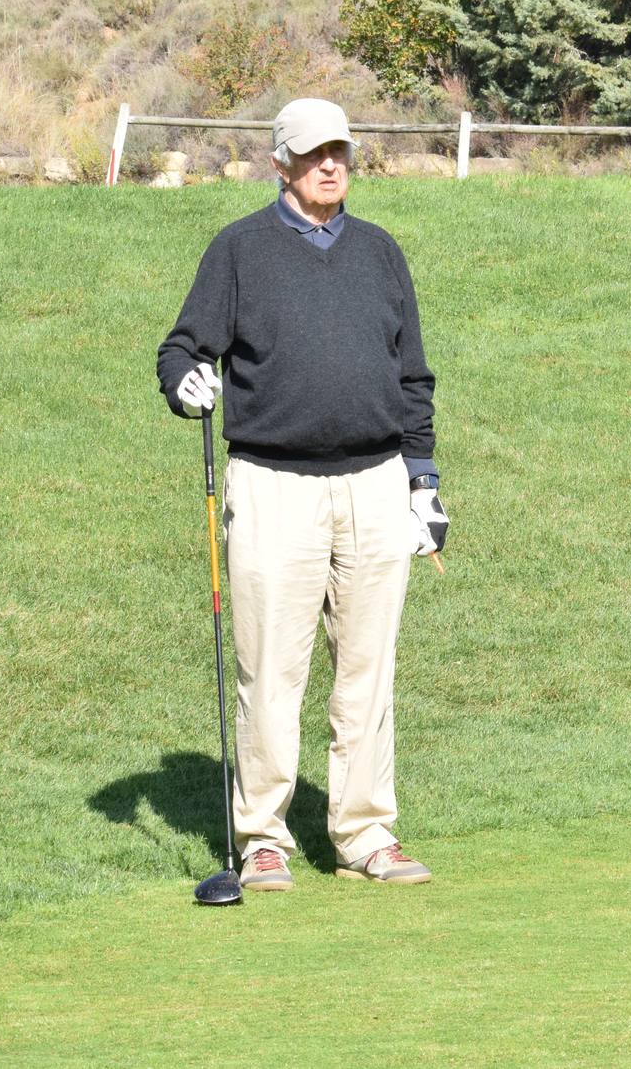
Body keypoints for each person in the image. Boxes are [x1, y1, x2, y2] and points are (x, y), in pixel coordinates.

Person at [156, 97, 449, 890]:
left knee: (367, 670)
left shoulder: (381, 253)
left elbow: (412, 377)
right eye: (313, 154)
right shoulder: (239, 251)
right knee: (270, 671)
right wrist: (184, 381)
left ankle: (365, 834)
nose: (330, 166)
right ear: (280, 163)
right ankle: (263, 839)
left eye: (341, 153)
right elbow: (184, 345)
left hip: (374, 483)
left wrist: (422, 482)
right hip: (273, 484)